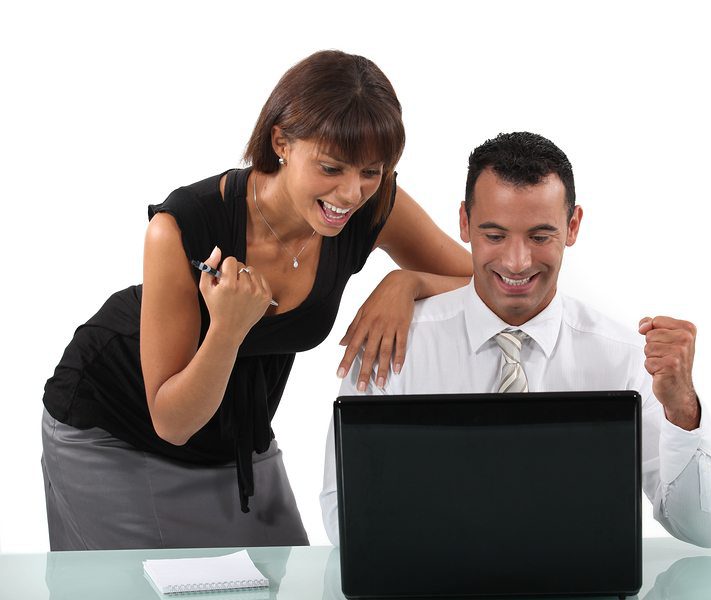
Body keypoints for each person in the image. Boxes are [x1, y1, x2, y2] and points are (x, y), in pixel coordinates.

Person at [41, 50, 472, 551]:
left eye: (370, 171)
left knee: (290, 581)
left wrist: (407, 283)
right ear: (281, 142)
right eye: (331, 167)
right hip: (117, 426)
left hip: (238, 432)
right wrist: (227, 327)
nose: (351, 193)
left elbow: (489, 283)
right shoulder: (182, 224)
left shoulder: (374, 206)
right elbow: (172, 422)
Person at [321, 131, 711, 548]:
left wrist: (682, 405)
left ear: (572, 226)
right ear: (464, 223)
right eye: (495, 236)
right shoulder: (393, 343)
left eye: (540, 237)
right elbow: (346, 519)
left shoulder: (625, 359)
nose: (516, 262)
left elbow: (704, 530)